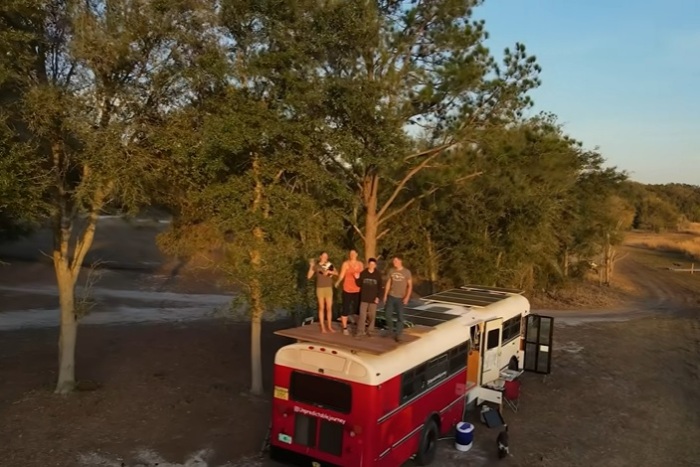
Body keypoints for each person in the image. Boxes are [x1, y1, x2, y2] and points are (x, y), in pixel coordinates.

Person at [382, 255, 412, 341]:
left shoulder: (406, 272)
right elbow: (388, 283)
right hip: (391, 296)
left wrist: (407, 297)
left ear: (400, 261)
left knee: (400, 317)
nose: (394, 262)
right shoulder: (391, 271)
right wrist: (385, 295)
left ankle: (399, 334)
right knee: (387, 314)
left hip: (400, 298)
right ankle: (390, 330)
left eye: (395, 261)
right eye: (393, 261)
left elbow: (410, 286)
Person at [307, 252, 338, 333]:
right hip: (320, 288)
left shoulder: (329, 265)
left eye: (326, 256)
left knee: (329, 308)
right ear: (320, 257)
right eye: (324, 256)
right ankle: (323, 327)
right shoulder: (316, 266)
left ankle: (330, 327)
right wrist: (311, 266)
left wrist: (330, 272)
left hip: (328, 287)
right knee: (321, 307)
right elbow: (309, 276)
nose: (325, 257)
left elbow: (337, 273)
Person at [335, 249, 364, 335]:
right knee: (345, 308)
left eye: (354, 253)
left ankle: (358, 327)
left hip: (357, 289)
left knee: (357, 309)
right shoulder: (346, 264)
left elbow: (362, 276)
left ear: (357, 254)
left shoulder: (360, 264)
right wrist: (338, 281)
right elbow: (342, 274)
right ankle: (345, 328)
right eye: (351, 253)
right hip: (347, 289)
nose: (352, 255)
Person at [354, 257, 383, 337]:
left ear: (375, 265)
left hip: (373, 299)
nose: (371, 266)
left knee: (372, 316)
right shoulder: (364, 273)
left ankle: (370, 331)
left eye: (373, 264)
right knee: (362, 315)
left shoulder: (378, 274)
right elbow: (359, 284)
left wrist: (378, 297)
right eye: (370, 264)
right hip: (364, 298)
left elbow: (380, 287)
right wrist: (356, 278)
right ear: (368, 264)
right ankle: (360, 331)